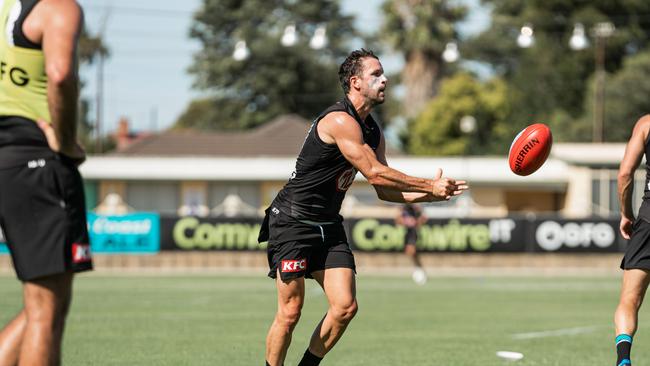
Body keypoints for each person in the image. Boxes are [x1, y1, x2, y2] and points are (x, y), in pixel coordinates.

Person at [258, 49, 469, 366]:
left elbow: (384, 190)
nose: (384, 79)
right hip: (292, 223)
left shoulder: (373, 130)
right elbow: (374, 171)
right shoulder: (340, 120)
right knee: (290, 313)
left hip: (328, 226)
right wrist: (429, 184)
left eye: (383, 73)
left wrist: (432, 196)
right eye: (376, 74)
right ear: (355, 82)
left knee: (344, 307)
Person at [0, 1, 92, 365]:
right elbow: (59, 74)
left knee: (38, 303)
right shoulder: (57, 6)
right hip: (33, 155)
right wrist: (67, 142)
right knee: (46, 310)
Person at [614, 114, 650, 366]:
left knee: (630, 299)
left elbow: (625, 174)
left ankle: (624, 359)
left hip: (648, 222)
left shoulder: (646, 124)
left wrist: (626, 214)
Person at [395, 203, 428, 285]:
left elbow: (424, 219)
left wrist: (416, 222)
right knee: (410, 253)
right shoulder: (403, 208)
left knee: (411, 251)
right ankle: (418, 269)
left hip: (413, 232)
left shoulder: (416, 208)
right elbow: (398, 220)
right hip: (407, 232)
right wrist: (406, 222)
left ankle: (418, 270)